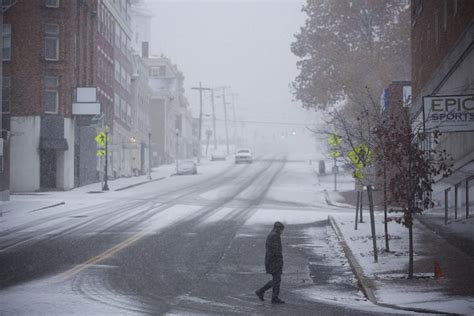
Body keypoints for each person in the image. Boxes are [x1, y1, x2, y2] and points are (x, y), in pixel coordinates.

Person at [255, 221, 285, 304]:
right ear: (278, 229)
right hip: (274, 261)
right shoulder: (275, 236)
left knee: (276, 279)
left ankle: (271, 296)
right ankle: (263, 292)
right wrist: (280, 258)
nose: (282, 232)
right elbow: (276, 250)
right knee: (277, 279)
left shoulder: (272, 234)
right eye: (282, 230)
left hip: (271, 260)